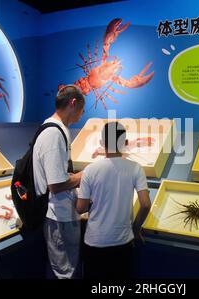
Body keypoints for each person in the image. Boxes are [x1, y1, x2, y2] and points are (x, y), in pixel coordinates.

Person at [76, 121, 151, 279]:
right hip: (123, 241)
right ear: (124, 143)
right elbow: (145, 204)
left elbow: (80, 208)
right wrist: (136, 228)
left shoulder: (90, 170)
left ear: (102, 143)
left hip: (94, 242)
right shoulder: (135, 168)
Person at [33, 84, 85, 279]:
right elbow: (55, 184)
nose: (81, 114)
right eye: (81, 109)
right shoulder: (54, 133)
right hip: (59, 217)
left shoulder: (57, 130)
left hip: (63, 214)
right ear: (73, 103)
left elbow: (57, 175)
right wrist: (83, 176)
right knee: (65, 271)